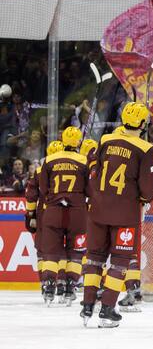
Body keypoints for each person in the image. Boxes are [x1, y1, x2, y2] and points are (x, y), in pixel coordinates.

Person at [80, 102, 153, 328]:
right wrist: (143, 202)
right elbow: (147, 188)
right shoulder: (147, 149)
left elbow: (94, 170)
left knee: (94, 257)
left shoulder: (105, 140)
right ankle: (106, 310)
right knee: (120, 262)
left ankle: (87, 306)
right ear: (143, 123)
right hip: (125, 213)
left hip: (97, 209)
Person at [37, 127, 88, 306]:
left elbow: (43, 189)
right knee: (76, 252)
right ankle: (70, 288)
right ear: (78, 142)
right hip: (78, 213)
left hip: (53, 211)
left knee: (51, 252)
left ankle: (49, 286)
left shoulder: (49, 160)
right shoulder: (84, 161)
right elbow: (90, 189)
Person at [24, 140, 65, 301]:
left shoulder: (41, 170)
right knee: (64, 250)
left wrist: (30, 214)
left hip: (45, 213)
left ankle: (45, 284)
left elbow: (31, 194)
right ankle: (62, 283)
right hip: (69, 212)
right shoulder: (74, 165)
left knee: (43, 251)